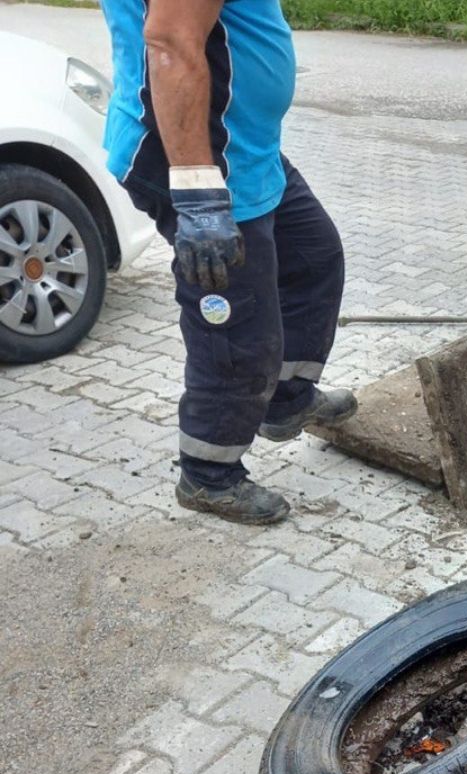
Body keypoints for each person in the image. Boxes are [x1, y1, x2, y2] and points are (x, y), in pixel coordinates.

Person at [99, 0, 357, 525]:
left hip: (247, 150)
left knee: (314, 258)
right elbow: (171, 40)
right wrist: (197, 192)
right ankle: (208, 474)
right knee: (238, 330)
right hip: (202, 163)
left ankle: (286, 400)